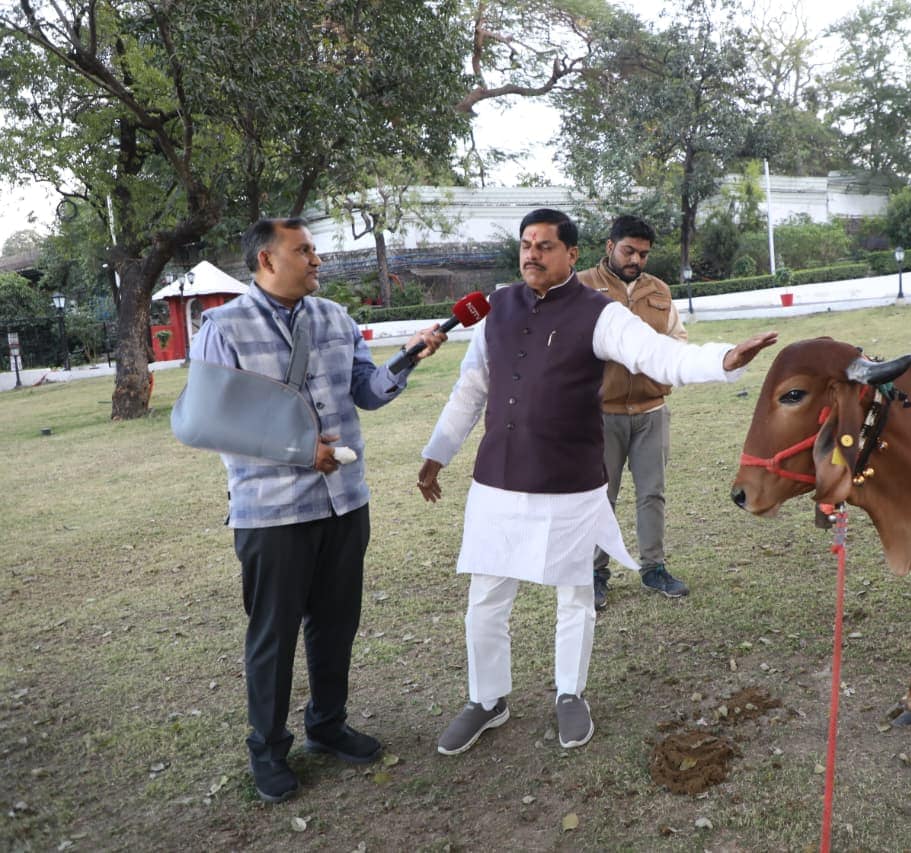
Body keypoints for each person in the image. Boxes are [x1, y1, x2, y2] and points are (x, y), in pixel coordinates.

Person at [417, 208, 776, 754]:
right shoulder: (497, 307)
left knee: (575, 596)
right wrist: (437, 453)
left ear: (571, 255)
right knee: (486, 596)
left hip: (570, 480)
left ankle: (570, 694)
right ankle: (486, 700)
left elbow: (658, 354)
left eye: (544, 245)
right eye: (526, 244)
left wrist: (723, 360)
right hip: (499, 479)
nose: (532, 253)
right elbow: (472, 389)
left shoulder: (599, 313)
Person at [187, 218, 445, 803]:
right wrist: (302, 451)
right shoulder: (222, 328)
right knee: (273, 636)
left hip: (344, 503)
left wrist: (407, 358)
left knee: (335, 624)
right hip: (270, 513)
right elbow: (207, 423)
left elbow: (367, 390)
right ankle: (267, 749)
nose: (316, 261)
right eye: (302, 251)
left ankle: (327, 726)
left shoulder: (334, 318)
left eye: (315, 251)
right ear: (265, 260)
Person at [579, 215, 688, 611]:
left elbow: (677, 339)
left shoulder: (659, 291)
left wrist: (665, 370)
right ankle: (594, 574)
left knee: (652, 493)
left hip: (651, 410)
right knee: (598, 497)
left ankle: (653, 567)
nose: (636, 260)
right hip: (600, 414)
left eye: (643, 254)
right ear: (609, 246)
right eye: (629, 250)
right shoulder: (581, 288)